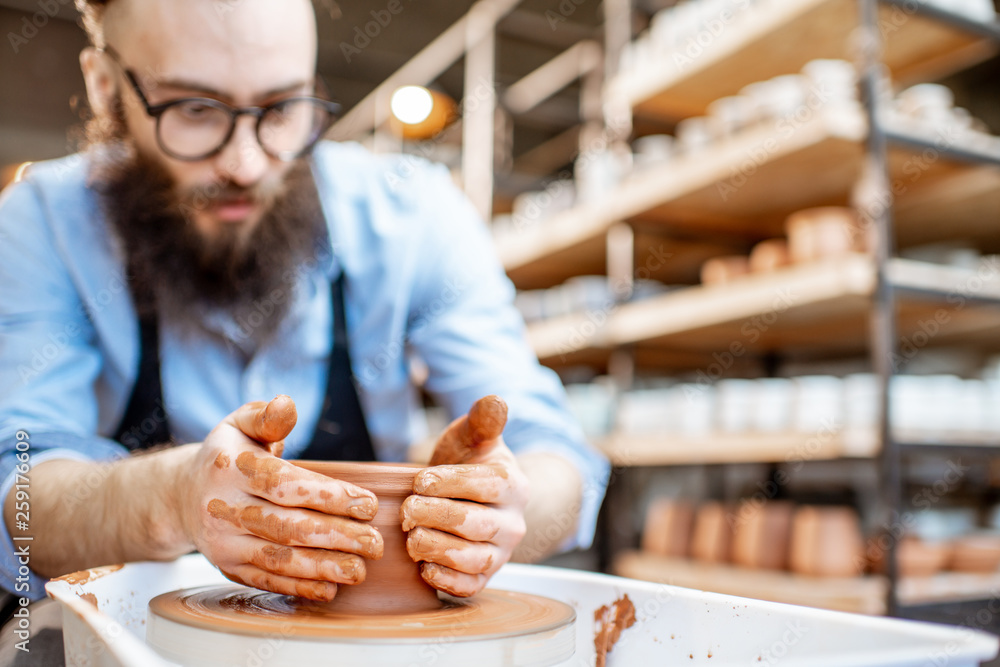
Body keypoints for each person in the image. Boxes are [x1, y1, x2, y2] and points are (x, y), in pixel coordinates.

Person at [0, 0, 609, 607]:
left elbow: (555, 457)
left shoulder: (414, 215)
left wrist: (497, 507)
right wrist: (171, 500)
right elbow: (17, 490)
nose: (246, 163)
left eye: (282, 108)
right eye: (193, 109)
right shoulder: (43, 224)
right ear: (106, 88)